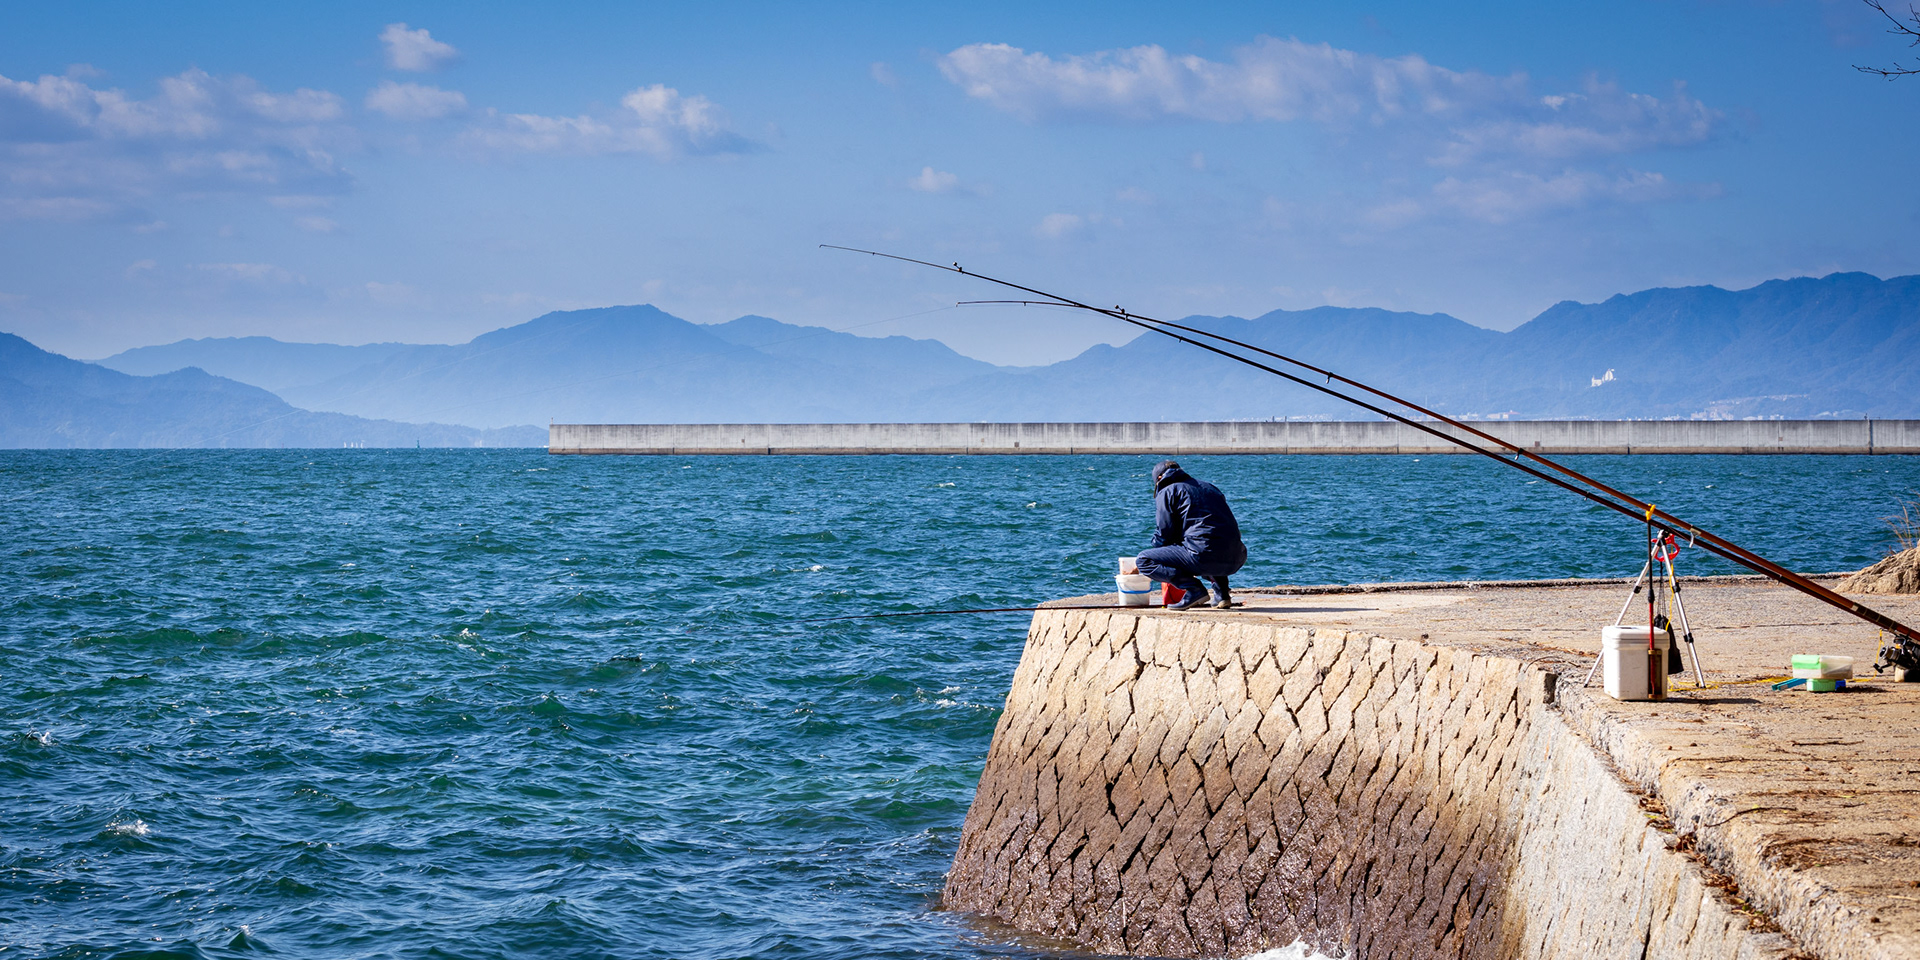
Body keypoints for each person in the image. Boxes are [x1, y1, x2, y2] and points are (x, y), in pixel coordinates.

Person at [1135, 460, 1247, 610]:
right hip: (1237, 557)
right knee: (1211, 541)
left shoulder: (1167, 491)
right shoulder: (1209, 487)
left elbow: (1164, 534)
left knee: (1144, 560)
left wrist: (1160, 553)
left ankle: (1194, 590)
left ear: (1159, 479)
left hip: (1204, 556)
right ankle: (1222, 594)